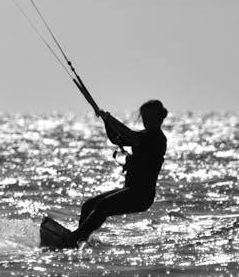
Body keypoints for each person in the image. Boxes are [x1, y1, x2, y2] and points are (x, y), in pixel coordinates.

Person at [71, 99, 168, 245]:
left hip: (141, 195)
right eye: (145, 117)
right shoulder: (143, 136)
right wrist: (105, 121)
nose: (147, 121)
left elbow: (128, 134)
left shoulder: (156, 138)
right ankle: (79, 240)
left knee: (102, 207)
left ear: (160, 118)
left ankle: (75, 238)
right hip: (130, 190)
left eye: (151, 117)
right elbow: (116, 138)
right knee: (88, 206)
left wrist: (109, 117)